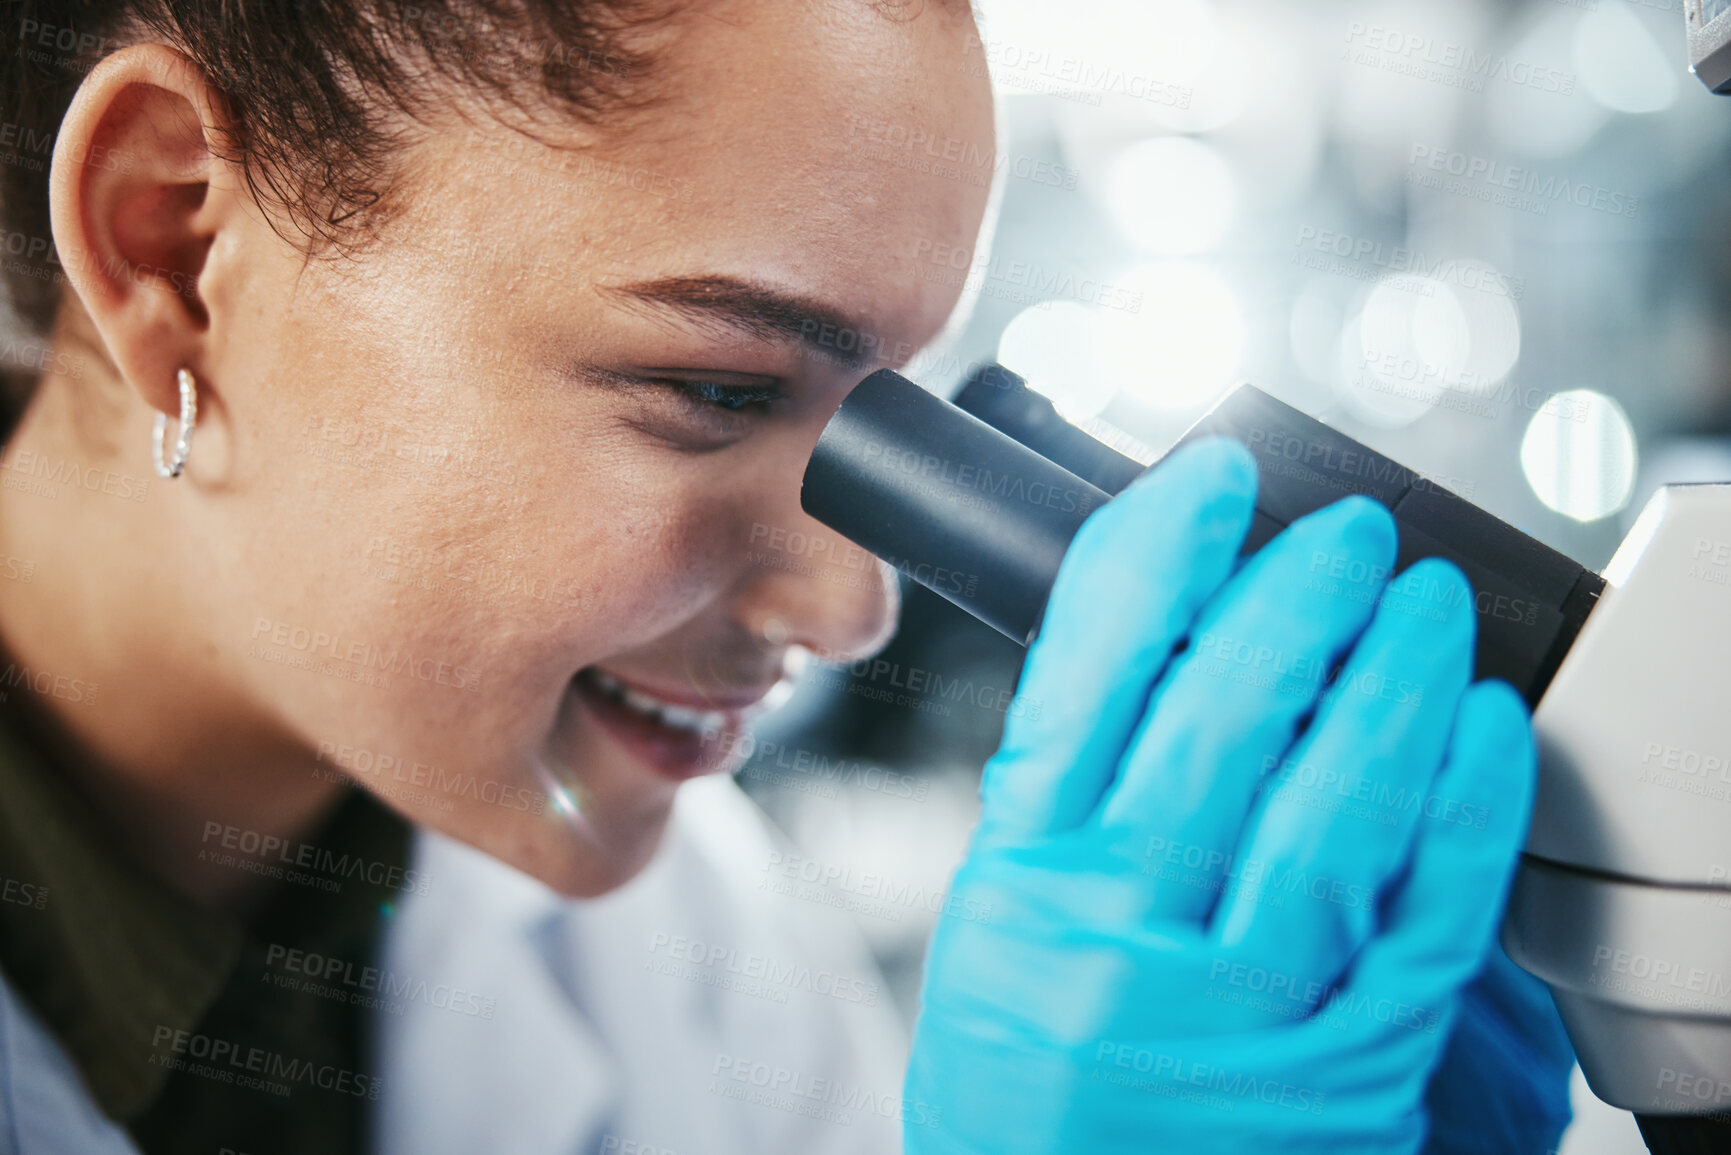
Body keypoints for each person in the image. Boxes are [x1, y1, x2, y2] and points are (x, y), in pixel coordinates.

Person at [0, 0, 1571, 1152]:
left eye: (897, 413)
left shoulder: (695, 960)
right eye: (721, 389)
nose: (853, 607)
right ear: (174, 244)